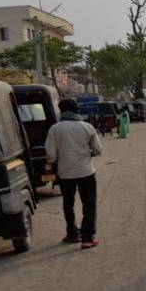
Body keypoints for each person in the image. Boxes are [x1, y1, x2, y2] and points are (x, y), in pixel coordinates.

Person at [45, 98, 103, 249]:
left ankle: (72, 233)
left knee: (68, 203)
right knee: (89, 204)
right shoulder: (87, 127)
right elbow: (98, 150)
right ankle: (87, 238)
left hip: (65, 173)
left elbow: (50, 155)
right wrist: (88, 153)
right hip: (86, 171)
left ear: (62, 111)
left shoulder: (55, 129)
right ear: (77, 110)